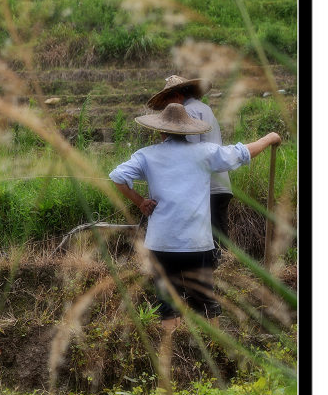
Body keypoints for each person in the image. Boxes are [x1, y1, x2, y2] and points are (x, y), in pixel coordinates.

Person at [109, 103, 281, 330]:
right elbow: (242, 153)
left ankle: (171, 357)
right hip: (196, 243)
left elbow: (117, 176)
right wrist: (269, 137)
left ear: (161, 131)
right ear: (189, 131)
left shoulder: (147, 155)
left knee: (167, 303)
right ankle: (214, 352)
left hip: (162, 243)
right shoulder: (205, 152)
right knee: (205, 301)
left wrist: (140, 202)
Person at [147, 75, 232, 263]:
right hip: (219, 183)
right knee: (218, 232)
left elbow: (188, 153)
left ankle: (215, 271)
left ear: (177, 96)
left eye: (169, 101)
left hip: (206, 186)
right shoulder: (205, 108)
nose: (169, 108)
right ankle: (223, 271)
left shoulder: (188, 112)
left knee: (208, 234)